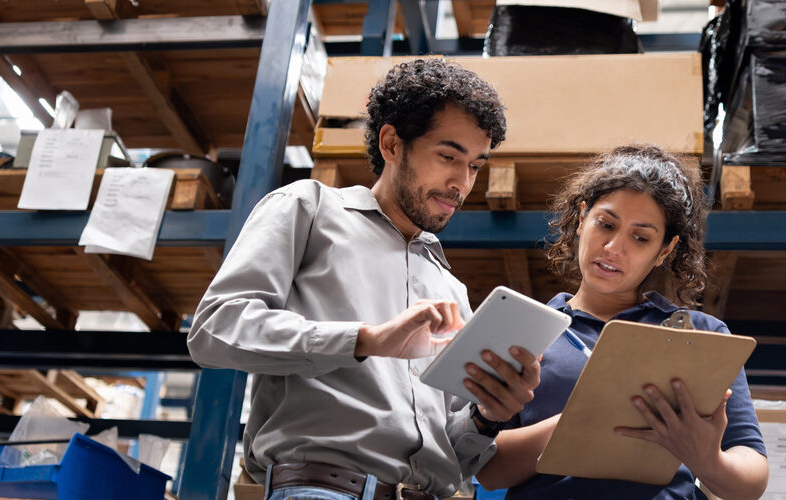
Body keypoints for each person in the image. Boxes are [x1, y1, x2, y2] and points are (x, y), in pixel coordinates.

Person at [188, 59, 542, 500]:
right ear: (392, 143)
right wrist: (365, 340)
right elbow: (214, 330)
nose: (461, 183)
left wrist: (487, 416)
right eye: (448, 156)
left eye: (475, 165)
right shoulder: (310, 209)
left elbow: (450, 446)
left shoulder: (449, 286)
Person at [475, 145, 769, 499]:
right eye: (606, 224)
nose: (614, 247)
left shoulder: (703, 335)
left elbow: (751, 479)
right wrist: (588, 419)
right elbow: (487, 471)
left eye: (641, 237)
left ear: (664, 251)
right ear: (582, 218)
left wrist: (707, 459)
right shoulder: (525, 330)